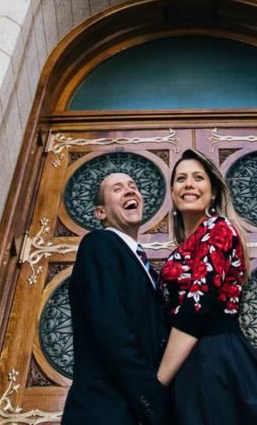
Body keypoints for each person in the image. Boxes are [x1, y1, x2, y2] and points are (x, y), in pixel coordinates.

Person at [157, 149, 257, 425]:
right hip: (187, 363)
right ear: (173, 194)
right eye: (180, 179)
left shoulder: (219, 228)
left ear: (213, 193)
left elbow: (197, 306)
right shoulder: (183, 248)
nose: (188, 184)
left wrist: (158, 383)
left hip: (216, 360)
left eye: (198, 178)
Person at [62, 171, 171, 425]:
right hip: (105, 410)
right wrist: (153, 400)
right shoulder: (98, 244)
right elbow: (111, 327)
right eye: (117, 188)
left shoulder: (146, 268)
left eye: (133, 186)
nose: (131, 190)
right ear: (100, 212)